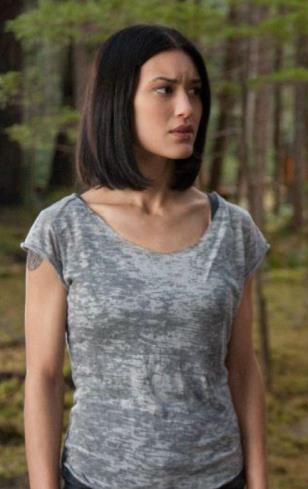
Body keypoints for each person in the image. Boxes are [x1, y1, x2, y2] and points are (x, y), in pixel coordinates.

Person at [21, 25, 269, 489]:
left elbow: (243, 369)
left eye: (194, 91)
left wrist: (258, 482)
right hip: (96, 477)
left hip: (217, 477)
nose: (186, 108)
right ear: (118, 101)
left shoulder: (232, 229)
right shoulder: (62, 230)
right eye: (164, 90)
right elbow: (44, 378)